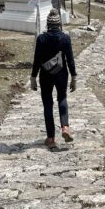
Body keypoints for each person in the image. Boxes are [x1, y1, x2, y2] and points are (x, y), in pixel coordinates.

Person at [30, 8, 77, 150]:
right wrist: (74, 77)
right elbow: (70, 60)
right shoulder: (65, 38)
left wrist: (33, 77)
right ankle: (65, 128)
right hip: (61, 74)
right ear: (59, 24)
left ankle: (51, 138)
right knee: (62, 99)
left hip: (45, 75)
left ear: (48, 25)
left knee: (48, 104)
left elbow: (37, 60)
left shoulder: (41, 39)